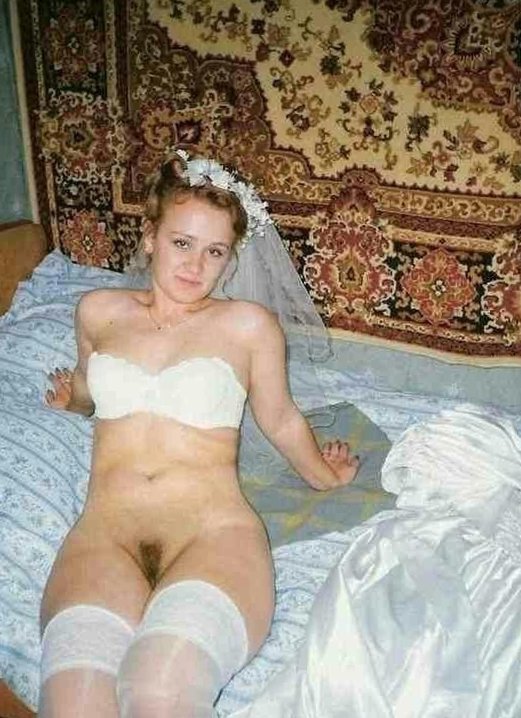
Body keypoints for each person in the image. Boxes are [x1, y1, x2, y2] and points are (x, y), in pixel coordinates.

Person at [41, 150, 360, 718]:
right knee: (72, 707)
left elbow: (280, 418)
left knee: (158, 693)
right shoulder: (97, 311)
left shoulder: (248, 326)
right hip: (104, 537)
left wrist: (323, 477)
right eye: (182, 242)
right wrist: (75, 402)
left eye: (214, 251)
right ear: (150, 238)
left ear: (230, 258)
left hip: (213, 536)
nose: (195, 265)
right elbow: (93, 389)